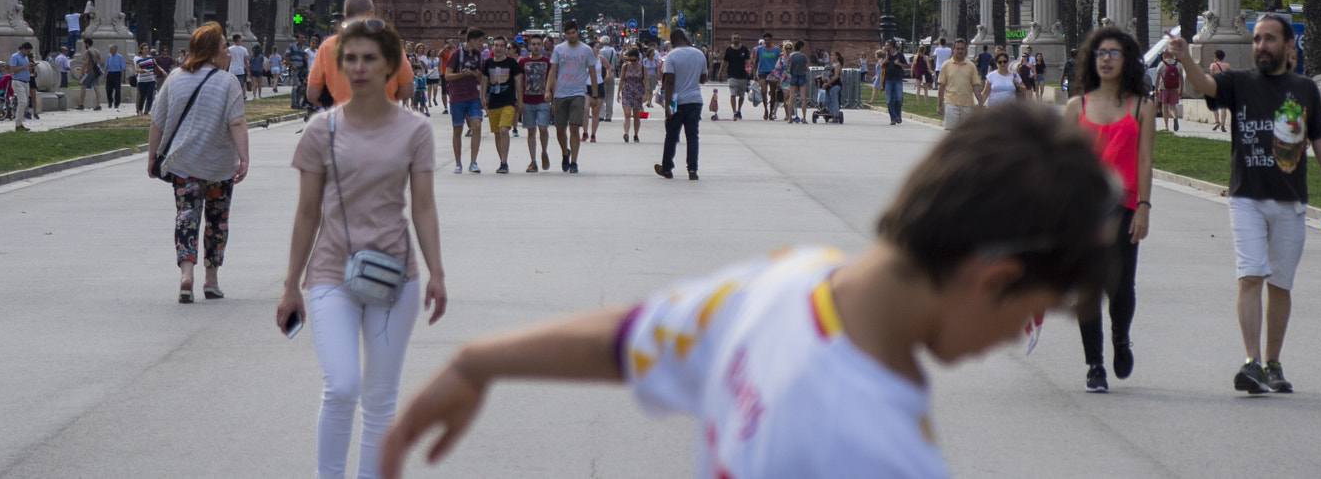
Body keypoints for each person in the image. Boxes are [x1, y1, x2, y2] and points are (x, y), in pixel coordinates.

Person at [380, 104, 1115, 479]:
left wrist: (479, 361)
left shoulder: (788, 284)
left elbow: (630, 336)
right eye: (1029, 316)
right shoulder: (880, 449)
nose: (1013, 339)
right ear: (994, 278)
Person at [279, 18, 446, 479]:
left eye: (370, 58)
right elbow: (307, 212)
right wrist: (291, 284)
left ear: (391, 65)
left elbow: (424, 208)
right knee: (343, 387)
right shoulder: (321, 130)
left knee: (380, 398)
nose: (358, 67)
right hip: (332, 273)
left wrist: (437, 272)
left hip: (397, 277)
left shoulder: (415, 131)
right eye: (350, 58)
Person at [1167, 15, 1321, 395]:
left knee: (1280, 283)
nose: (1261, 45)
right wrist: (1186, 56)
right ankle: (1251, 362)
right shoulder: (1238, 83)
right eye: (1257, 39)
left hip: (1290, 202)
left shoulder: (1304, 90)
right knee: (1251, 274)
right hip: (1247, 199)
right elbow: (1203, 84)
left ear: (1290, 46)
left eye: (1269, 39)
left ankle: (1273, 364)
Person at [1064, 26, 1153, 393]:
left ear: (1126, 59)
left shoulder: (1141, 105)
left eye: (1114, 52)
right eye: (1100, 52)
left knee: (1121, 288)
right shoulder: (1076, 106)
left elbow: (1145, 160)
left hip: (1125, 207)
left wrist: (1144, 207)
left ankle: (1120, 338)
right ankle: (1094, 364)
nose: (1106, 58)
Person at [147, 23, 249, 303]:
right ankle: (211, 280)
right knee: (217, 221)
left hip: (184, 164)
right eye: (224, 45)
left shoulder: (175, 78)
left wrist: (152, 156)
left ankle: (186, 274)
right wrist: (244, 158)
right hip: (219, 167)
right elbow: (237, 122)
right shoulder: (228, 82)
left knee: (186, 217)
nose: (228, 50)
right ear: (213, 50)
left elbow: (157, 121)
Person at [654, 28, 708, 181]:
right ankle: (692, 169)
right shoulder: (699, 54)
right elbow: (704, 78)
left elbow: (669, 82)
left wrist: (668, 107)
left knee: (671, 135)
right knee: (692, 136)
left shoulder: (671, 56)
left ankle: (667, 168)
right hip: (695, 100)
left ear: (672, 41)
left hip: (676, 99)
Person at [548, 23, 595, 174]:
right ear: (565, 34)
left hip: (578, 93)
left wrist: (594, 94)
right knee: (560, 129)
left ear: (578, 33)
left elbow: (593, 72)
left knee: (574, 127)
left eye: (574, 32)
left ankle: (574, 162)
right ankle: (565, 153)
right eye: (568, 33)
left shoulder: (586, 50)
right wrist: (548, 90)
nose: (571, 35)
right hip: (561, 93)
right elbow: (553, 70)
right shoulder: (559, 49)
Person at [443, 28, 486, 175]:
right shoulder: (456, 54)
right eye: (480, 41)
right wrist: (462, 74)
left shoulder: (478, 56)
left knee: (477, 125)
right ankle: (458, 163)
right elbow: (447, 76)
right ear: (472, 40)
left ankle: (473, 162)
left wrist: (474, 73)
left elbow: (482, 77)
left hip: (473, 95)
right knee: (458, 129)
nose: (482, 44)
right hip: (457, 97)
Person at [481, 37, 520, 174]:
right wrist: (482, 98)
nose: (498, 48)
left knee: (504, 130)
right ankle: (502, 160)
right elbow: (484, 80)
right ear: (492, 47)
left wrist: (519, 100)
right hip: (493, 102)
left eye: (501, 46)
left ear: (505, 48)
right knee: (497, 133)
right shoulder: (488, 63)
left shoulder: (512, 63)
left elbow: (518, 82)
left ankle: (504, 162)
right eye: (496, 45)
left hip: (508, 101)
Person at [518, 35, 553, 171]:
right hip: (527, 101)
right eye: (533, 44)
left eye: (539, 44)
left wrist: (553, 99)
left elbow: (552, 80)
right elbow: (519, 82)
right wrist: (519, 100)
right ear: (529, 46)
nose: (536, 46)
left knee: (543, 128)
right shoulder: (523, 62)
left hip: (543, 100)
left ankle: (544, 151)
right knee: (531, 131)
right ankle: (533, 161)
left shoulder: (547, 62)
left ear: (542, 46)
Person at [938, 38, 979, 129]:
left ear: (965, 49)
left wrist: (980, 102)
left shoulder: (971, 66)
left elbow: (975, 86)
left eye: (962, 49)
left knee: (966, 131)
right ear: (953, 49)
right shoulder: (946, 65)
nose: (960, 51)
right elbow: (941, 86)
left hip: (967, 104)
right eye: (958, 48)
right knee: (953, 131)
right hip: (951, 102)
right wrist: (939, 104)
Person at [590, 32, 619, 141]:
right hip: (610, 73)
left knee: (601, 95)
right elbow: (616, 63)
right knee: (610, 95)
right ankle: (609, 115)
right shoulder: (613, 51)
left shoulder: (599, 51)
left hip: (599, 74)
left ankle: (600, 115)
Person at [4, 43, 38, 129]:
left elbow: (25, 69)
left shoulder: (26, 57)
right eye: (27, 51)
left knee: (25, 102)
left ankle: (20, 122)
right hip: (17, 81)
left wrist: (30, 67)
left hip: (26, 81)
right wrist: (25, 66)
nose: (28, 53)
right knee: (22, 101)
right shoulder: (15, 56)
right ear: (22, 49)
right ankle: (18, 123)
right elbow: (13, 69)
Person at [618, 46, 648, 142]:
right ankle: (626, 133)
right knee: (627, 114)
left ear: (638, 58)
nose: (632, 62)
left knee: (636, 115)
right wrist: (618, 92)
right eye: (630, 60)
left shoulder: (643, 67)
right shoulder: (625, 66)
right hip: (627, 91)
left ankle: (636, 134)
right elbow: (621, 79)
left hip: (638, 92)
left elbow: (646, 81)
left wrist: (646, 94)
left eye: (634, 60)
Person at [720, 34, 751, 120]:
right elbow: (724, 61)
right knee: (733, 93)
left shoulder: (744, 49)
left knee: (741, 95)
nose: (736, 39)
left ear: (740, 39)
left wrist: (750, 68)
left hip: (742, 75)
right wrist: (720, 72)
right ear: (731, 39)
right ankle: (734, 112)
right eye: (734, 38)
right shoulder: (729, 50)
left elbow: (748, 59)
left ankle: (739, 110)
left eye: (737, 38)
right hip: (731, 74)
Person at [1155, 48, 1183, 132]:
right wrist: (1181, 89)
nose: (1163, 55)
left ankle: (1166, 126)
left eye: (1164, 53)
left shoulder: (1162, 64)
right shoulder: (1178, 64)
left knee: (1164, 107)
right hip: (1174, 88)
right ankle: (1175, 117)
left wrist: (1156, 89)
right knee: (1173, 107)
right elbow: (1181, 78)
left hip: (1164, 88)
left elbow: (1157, 78)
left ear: (1166, 54)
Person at [754, 37, 781, 118]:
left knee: (773, 93)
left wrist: (779, 75)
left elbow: (779, 62)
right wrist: (754, 75)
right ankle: (765, 109)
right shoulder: (759, 49)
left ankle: (771, 111)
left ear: (771, 40)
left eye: (769, 40)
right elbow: (756, 62)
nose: (767, 41)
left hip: (772, 73)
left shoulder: (776, 49)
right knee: (763, 91)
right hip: (762, 72)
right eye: (766, 40)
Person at [785, 41, 812, 124]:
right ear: (801, 47)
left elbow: (787, 66)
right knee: (803, 98)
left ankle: (790, 118)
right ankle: (804, 118)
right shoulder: (803, 56)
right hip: (802, 76)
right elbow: (807, 68)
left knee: (791, 97)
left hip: (793, 76)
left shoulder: (791, 55)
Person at [881, 46, 907, 125]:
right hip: (888, 79)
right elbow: (881, 66)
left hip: (898, 79)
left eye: (887, 46)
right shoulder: (885, 55)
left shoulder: (899, 55)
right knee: (889, 100)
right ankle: (893, 118)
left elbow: (906, 65)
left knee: (898, 98)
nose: (885, 47)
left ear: (892, 46)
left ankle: (898, 114)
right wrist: (884, 62)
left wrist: (899, 63)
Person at [1207, 49, 1230, 130]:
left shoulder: (1213, 65)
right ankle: (1223, 125)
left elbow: (1211, 76)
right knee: (1223, 107)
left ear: (1216, 57)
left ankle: (1217, 122)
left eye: (1214, 56)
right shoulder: (1227, 65)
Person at [135, 46, 160, 114]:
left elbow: (156, 66)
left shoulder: (151, 58)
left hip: (151, 80)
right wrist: (144, 70)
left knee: (150, 95)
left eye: (147, 49)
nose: (146, 50)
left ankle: (148, 110)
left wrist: (162, 71)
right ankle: (140, 110)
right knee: (142, 96)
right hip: (142, 81)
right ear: (142, 50)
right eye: (145, 49)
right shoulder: (138, 60)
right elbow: (137, 70)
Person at [76, 42, 101, 110]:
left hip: (89, 72)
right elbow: (99, 61)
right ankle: (98, 105)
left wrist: (82, 71)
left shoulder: (87, 52)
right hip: (96, 72)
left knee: (83, 87)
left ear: (87, 44)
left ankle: (82, 104)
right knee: (96, 88)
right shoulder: (97, 51)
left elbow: (86, 62)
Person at [227, 33, 251, 98]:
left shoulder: (229, 49)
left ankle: (233, 96)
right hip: (240, 70)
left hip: (232, 70)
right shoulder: (244, 49)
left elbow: (228, 60)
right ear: (238, 39)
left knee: (232, 84)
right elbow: (245, 61)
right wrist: (248, 71)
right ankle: (243, 96)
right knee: (241, 85)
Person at [105, 43, 128, 110]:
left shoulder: (119, 57)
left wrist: (122, 75)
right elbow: (106, 66)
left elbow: (123, 67)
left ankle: (117, 103)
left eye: (112, 49)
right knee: (108, 89)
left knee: (117, 89)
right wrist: (105, 74)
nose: (110, 50)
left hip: (117, 74)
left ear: (115, 50)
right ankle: (110, 101)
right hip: (110, 73)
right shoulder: (109, 56)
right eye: (110, 49)